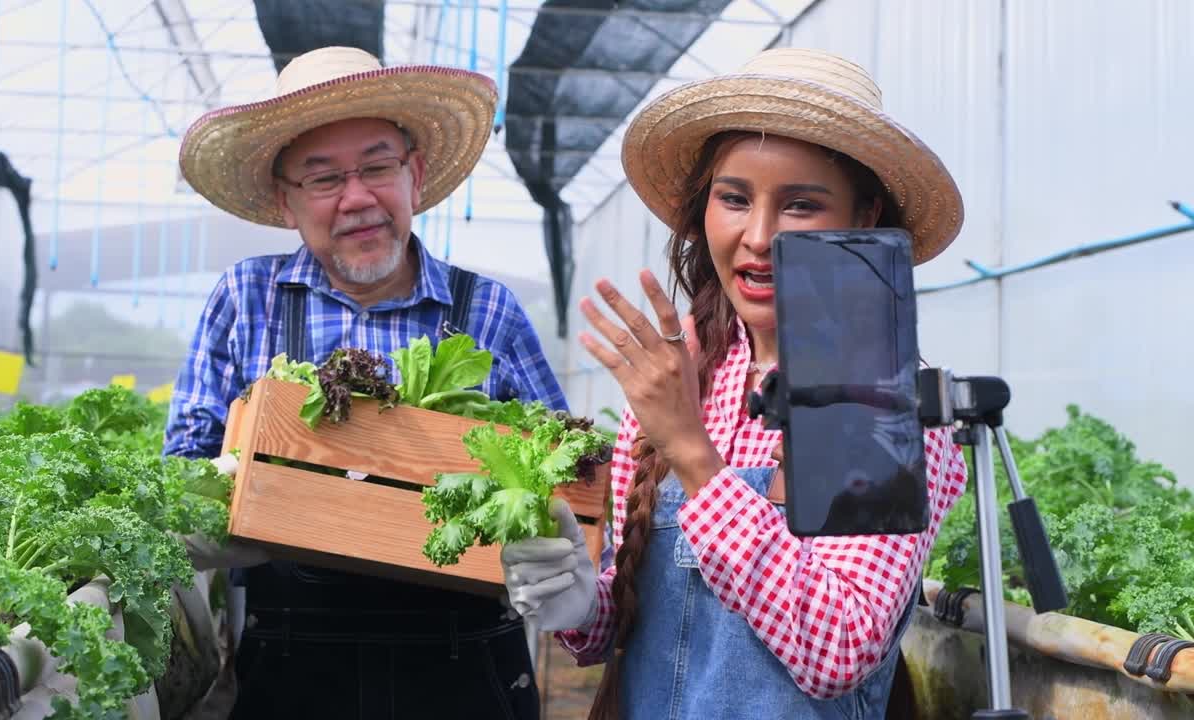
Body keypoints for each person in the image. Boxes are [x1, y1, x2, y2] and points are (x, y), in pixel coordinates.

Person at [498, 48, 970, 719]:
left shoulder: (878, 398)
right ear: (702, 211)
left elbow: (838, 648)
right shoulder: (690, 370)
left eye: (802, 205)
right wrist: (577, 599)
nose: (758, 235)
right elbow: (633, 626)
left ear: (863, 218)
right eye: (734, 198)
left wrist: (693, 454)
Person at [164, 46, 566, 719]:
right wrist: (241, 503)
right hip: (294, 667)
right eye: (322, 180)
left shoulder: (487, 309)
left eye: (377, 167)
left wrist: (546, 543)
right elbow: (181, 470)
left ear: (415, 174)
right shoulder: (247, 298)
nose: (356, 199)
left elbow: (560, 476)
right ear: (285, 202)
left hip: (466, 666)